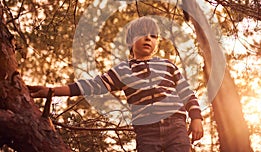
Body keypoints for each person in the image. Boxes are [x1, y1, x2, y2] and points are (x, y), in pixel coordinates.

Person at [29, 16, 204, 152]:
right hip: (147, 131)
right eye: (142, 34)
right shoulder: (123, 70)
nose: (148, 38)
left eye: (153, 36)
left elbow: (187, 93)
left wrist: (196, 118)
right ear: (130, 41)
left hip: (176, 126)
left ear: (157, 43)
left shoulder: (167, 65)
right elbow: (92, 85)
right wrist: (52, 91)